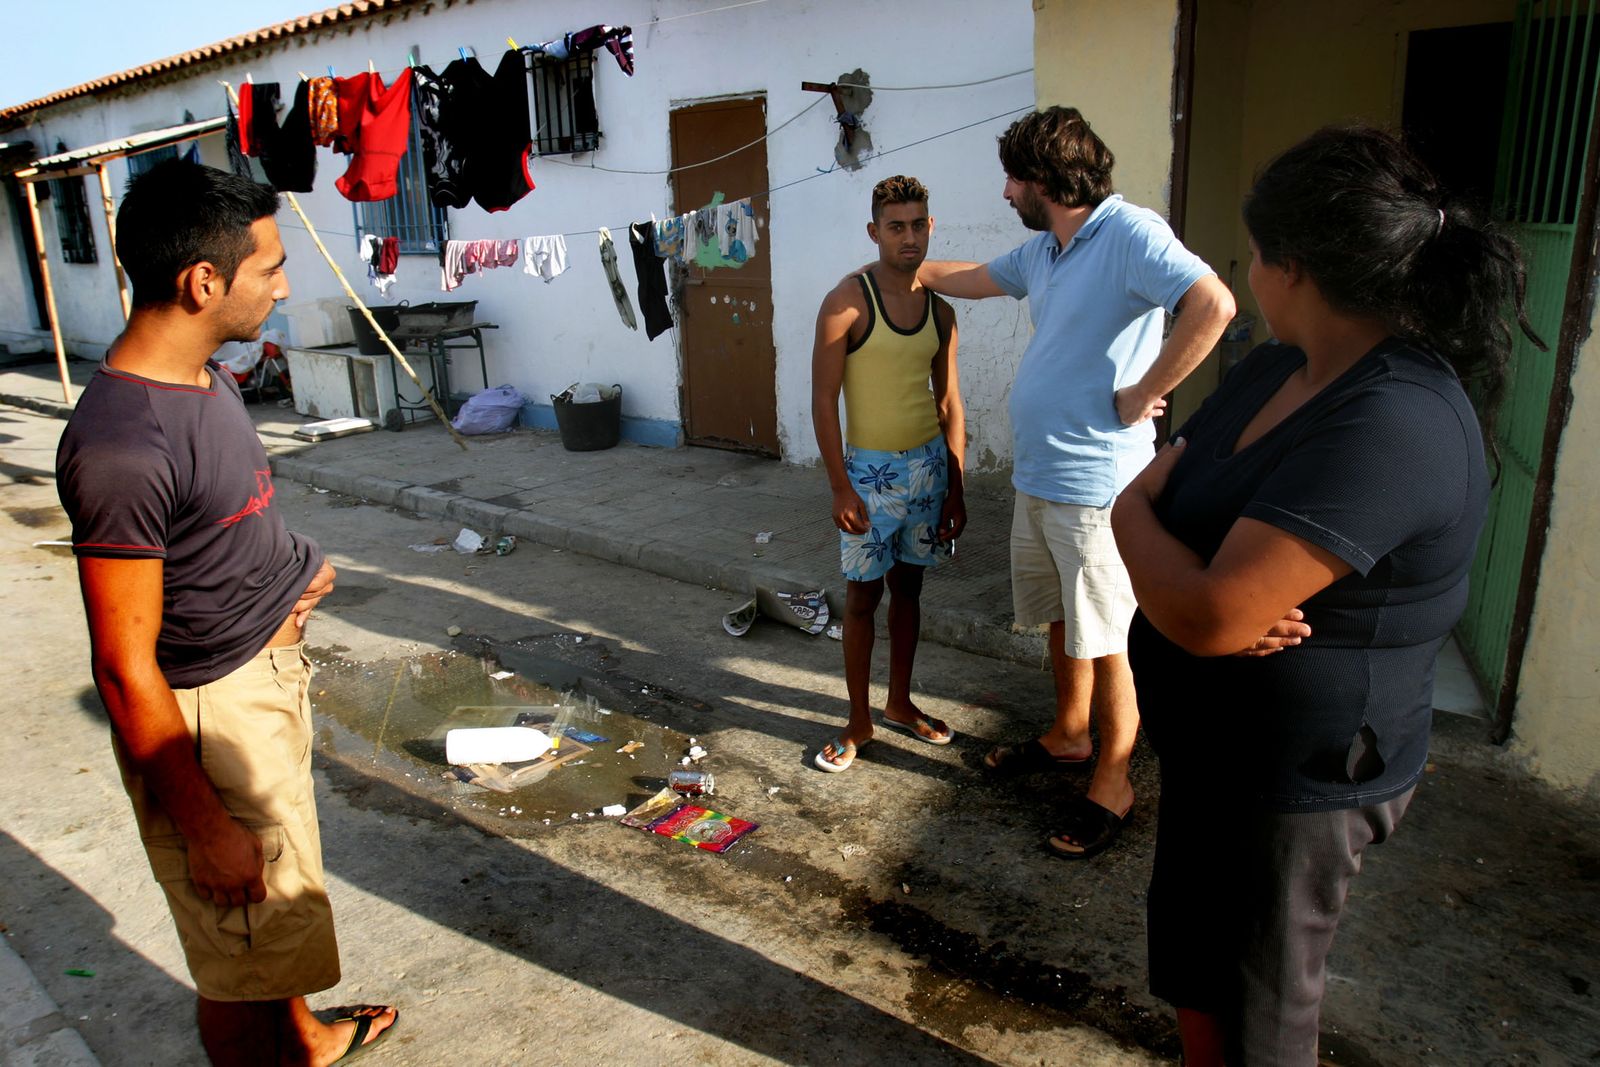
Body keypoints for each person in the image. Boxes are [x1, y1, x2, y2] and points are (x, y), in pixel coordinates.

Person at [1111, 125, 1538, 1065]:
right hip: (1213, 752)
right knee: (1194, 966)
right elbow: (1177, 518)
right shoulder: (1277, 365)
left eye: (1253, 255)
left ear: (1291, 266)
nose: (1247, 275)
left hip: (1299, 781)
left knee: (1267, 1012)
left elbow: (1213, 607)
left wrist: (1143, 531)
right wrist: (1173, 557)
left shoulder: (1397, 418)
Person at [55, 160, 397, 1065]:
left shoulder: (208, 377)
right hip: (212, 721)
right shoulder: (122, 446)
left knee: (271, 928)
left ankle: (307, 1039)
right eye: (271, 268)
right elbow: (125, 669)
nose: (285, 286)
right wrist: (206, 827)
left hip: (263, 689)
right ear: (203, 281)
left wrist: (295, 576)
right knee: (237, 942)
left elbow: (226, 524)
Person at [911, 107, 1234, 854]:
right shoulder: (1045, 252)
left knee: (1112, 636)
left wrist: (1143, 388)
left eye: (1013, 178)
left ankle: (1115, 781)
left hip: (1099, 488)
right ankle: (1068, 733)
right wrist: (896, 269)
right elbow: (973, 277)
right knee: (1064, 618)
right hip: (1043, 478)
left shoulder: (1128, 233)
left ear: (1046, 179)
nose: (1005, 194)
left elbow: (1212, 304)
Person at [810, 174, 965, 772]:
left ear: (931, 227)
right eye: (896, 226)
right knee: (861, 599)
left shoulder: (941, 311)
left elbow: (950, 403)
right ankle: (858, 719)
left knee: (911, 590)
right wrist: (839, 485)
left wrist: (957, 485)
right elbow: (824, 401)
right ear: (874, 232)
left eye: (918, 224)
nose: (909, 237)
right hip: (867, 476)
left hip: (927, 468)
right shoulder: (846, 302)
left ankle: (899, 701)